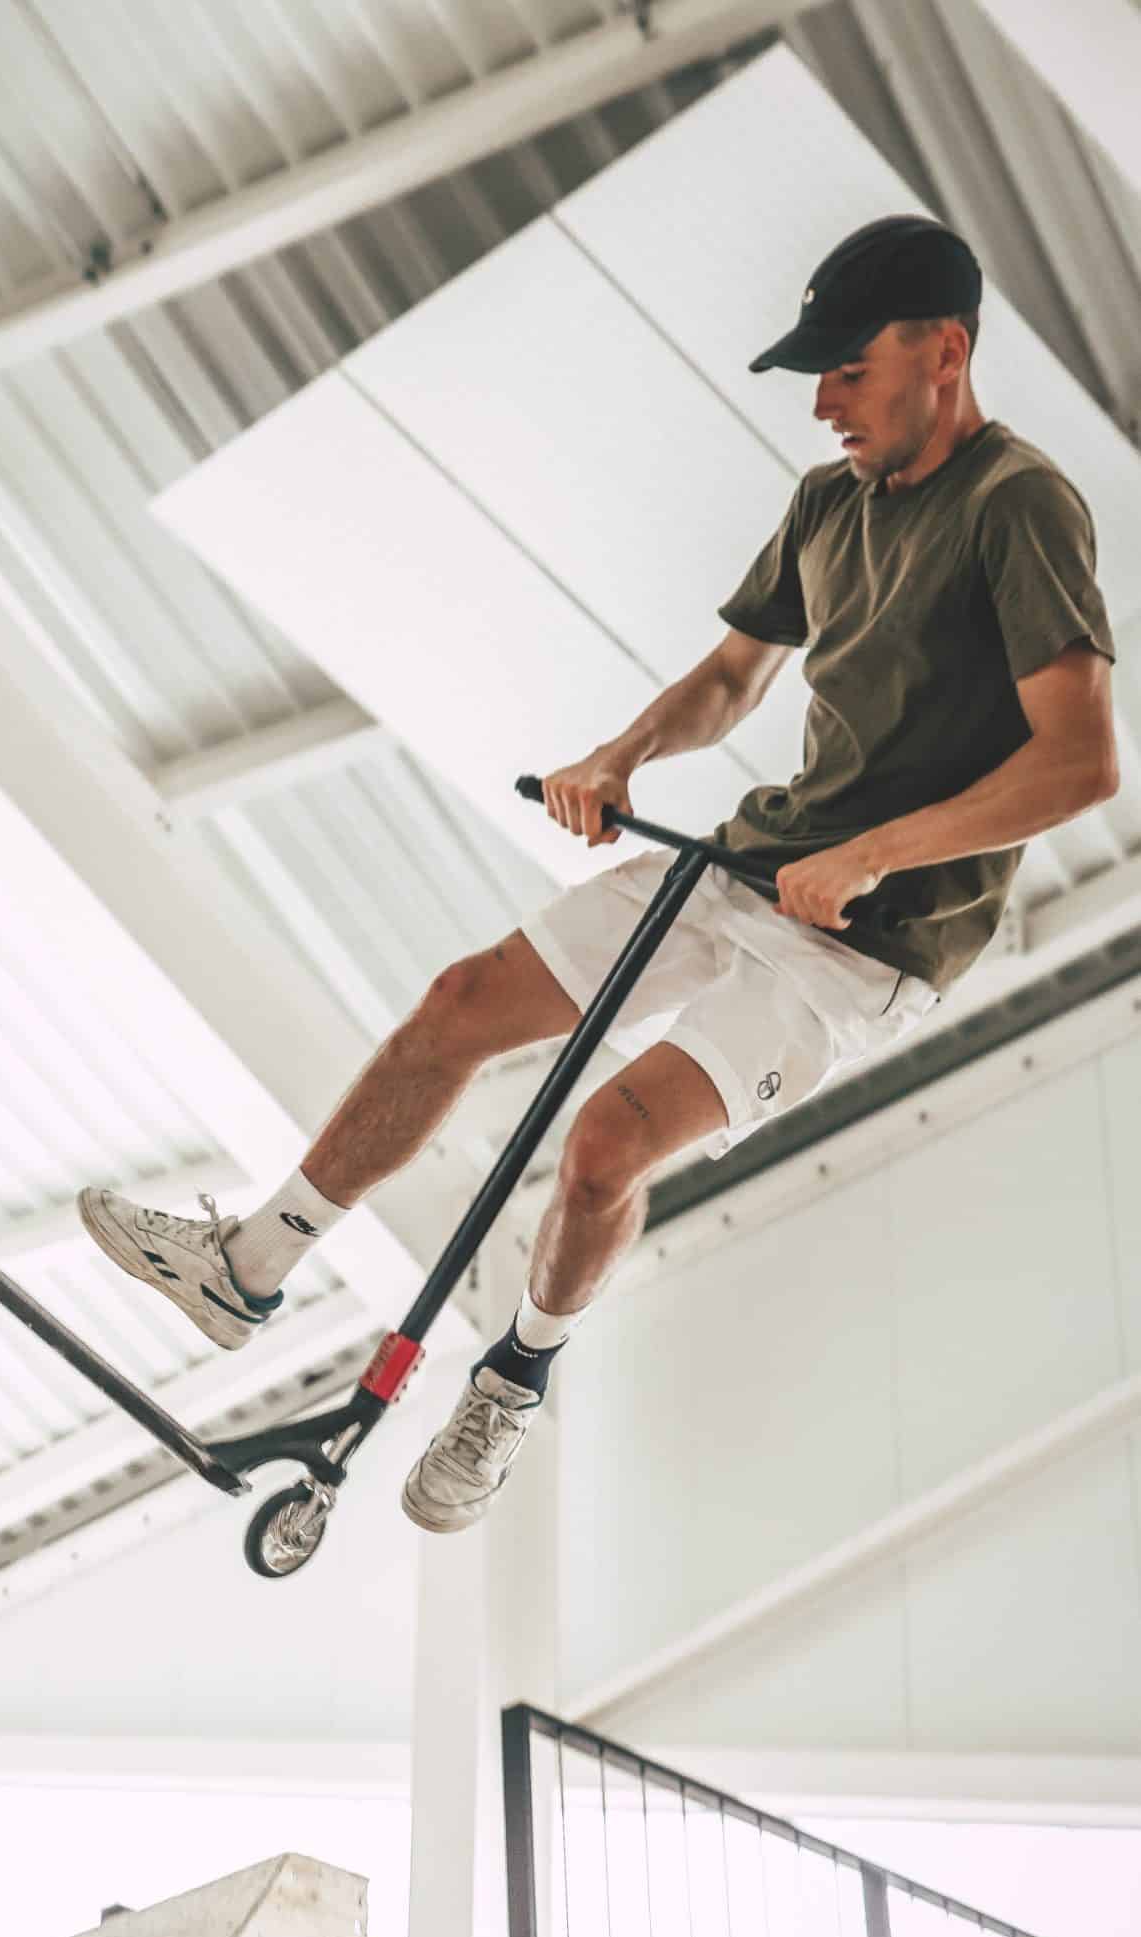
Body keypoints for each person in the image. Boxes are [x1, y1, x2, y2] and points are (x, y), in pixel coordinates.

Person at [81, 215, 1119, 1534]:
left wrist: (876, 853)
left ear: (945, 353)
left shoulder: (1017, 505)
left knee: (603, 1148)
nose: (822, 404)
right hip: (750, 865)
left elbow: (1080, 765)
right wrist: (620, 756)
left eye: (847, 371)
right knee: (464, 1001)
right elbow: (732, 677)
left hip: (871, 941)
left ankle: (514, 1375)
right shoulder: (826, 506)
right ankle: (248, 1265)